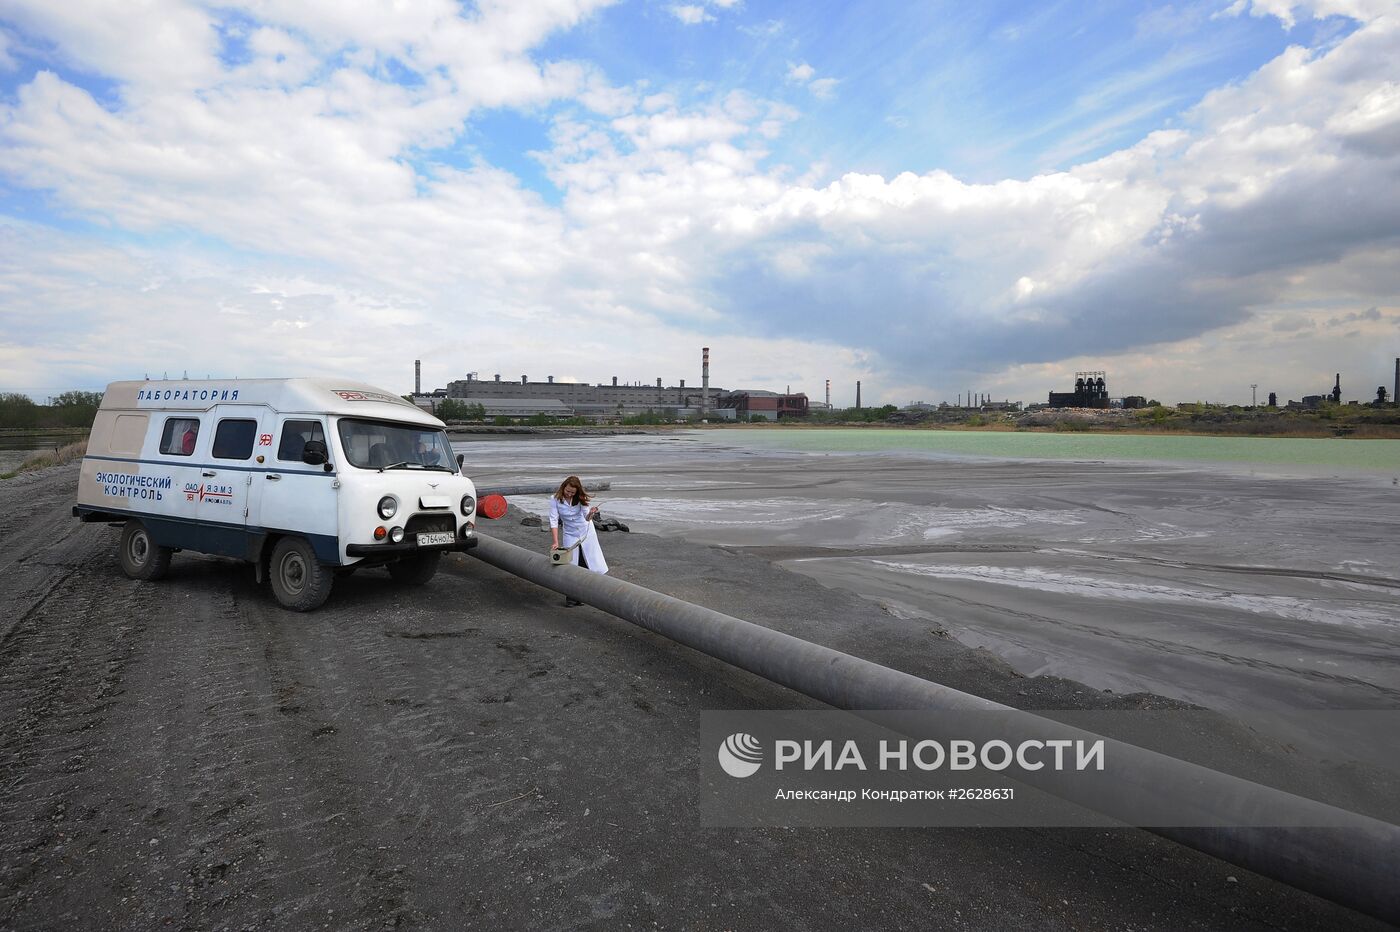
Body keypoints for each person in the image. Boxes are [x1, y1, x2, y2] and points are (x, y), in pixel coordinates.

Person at [549, 475, 608, 606]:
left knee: (588, 562)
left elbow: (587, 518)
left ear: (577, 492)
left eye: (572, 492)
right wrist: (555, 541)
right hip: (570, 533)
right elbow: (553, 520)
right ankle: (570, 597)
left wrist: (592, 513)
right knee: (570, 563)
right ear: (563, 487)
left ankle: (583, 595)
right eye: (567, 491)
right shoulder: (555, 499)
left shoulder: (581, 499)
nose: (569, 494)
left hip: (586, 532)